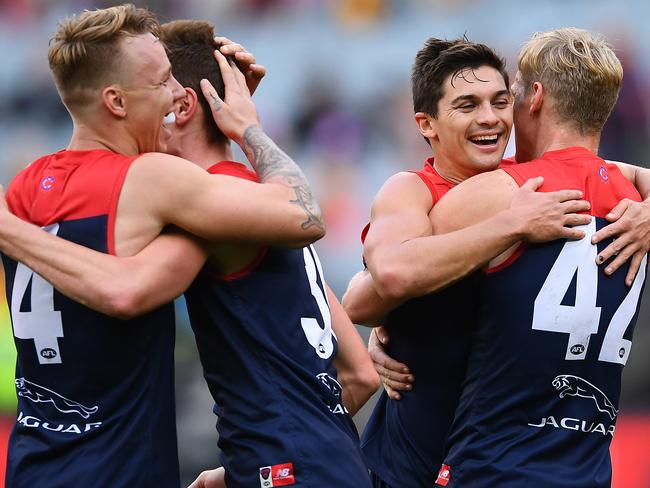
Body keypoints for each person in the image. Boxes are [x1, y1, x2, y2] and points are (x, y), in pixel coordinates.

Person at [0, 15, 378, 488]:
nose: (173, 95)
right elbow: (305, 217)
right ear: (115, 101)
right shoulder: (161, 185)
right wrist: (246, 128)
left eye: (178, 88)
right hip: (124, 470)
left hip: (32, 463)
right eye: (161, 83)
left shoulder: (22, 187)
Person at [342, 34, 650, 488]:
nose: (490, 118)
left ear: (529, 100)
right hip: (411, 464)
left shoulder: (522, 185)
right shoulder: (417, 190)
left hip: (484, 461)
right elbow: (369, 294)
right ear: (427, 124)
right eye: (467, 105)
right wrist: (398, 318)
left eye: (502, 100)